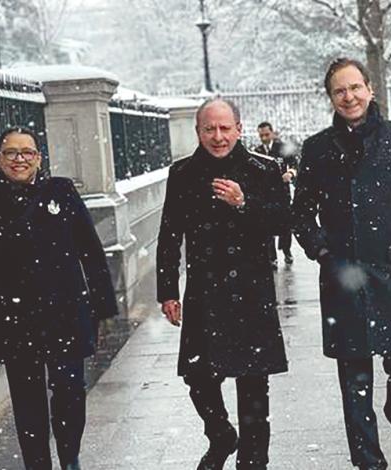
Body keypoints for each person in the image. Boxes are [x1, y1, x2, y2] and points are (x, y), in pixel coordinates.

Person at [292, 58, 391, 470]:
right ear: (331, 97)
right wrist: (323, 250)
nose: (350, 96)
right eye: (340, 90)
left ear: (370, 89)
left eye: (355, 87)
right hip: (343, 278)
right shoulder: (318, 149)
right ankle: (368, 461)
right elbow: (300, 214)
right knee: (354, 379)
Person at [0, 126, 119, 470]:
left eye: (27, 152)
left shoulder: (60, 191)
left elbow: (90, 250)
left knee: (70, 394)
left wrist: (104, 308)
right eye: (11, 153)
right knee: (28, 403)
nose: (19, 159)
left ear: (39, 158)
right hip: (15, 319)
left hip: (66, 313)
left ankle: (69, 456)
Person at [156, 98, 289, 470]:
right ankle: (220, 434)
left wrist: (244, 202)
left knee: (253, 387)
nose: (218, 137)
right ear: (198, 131)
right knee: (198, 378)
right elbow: (169, 235)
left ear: (239, 129)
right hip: (204, 291)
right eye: (209, 129)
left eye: (225, 128)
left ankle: (253, 460)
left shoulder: (263, 169)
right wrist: (167, 290)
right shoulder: (182, 173)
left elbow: (282, 222)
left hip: (251, 292)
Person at [254, 121, 298, 266]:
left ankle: (286, 251)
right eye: (261, 135)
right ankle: (271, 257)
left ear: (272, 133)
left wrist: (290, 173)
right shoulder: (257, 151)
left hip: (282, 192)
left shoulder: (282, 148)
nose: (264, 138)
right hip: (265, 194)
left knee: (285, 224)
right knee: (267, 226)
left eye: (267, 134)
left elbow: (296, 164)